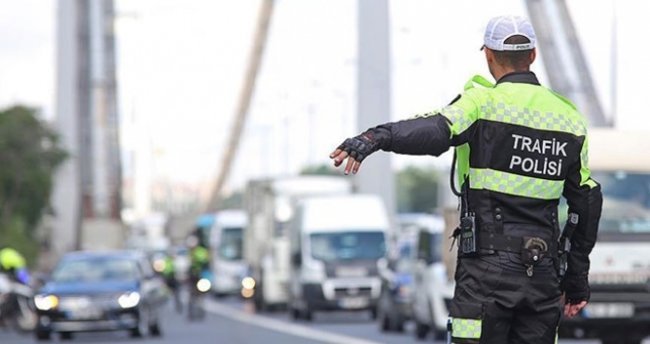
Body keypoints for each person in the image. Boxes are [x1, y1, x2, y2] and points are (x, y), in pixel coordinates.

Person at [329, 15, 602, 344]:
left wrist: (376, 137)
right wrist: (576, 279)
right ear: (532, 55)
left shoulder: (481, 103)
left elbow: (433, 131)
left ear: (488, 55)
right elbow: (586, 202)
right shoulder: (570, 119)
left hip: (486, 274)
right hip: (542, 273)